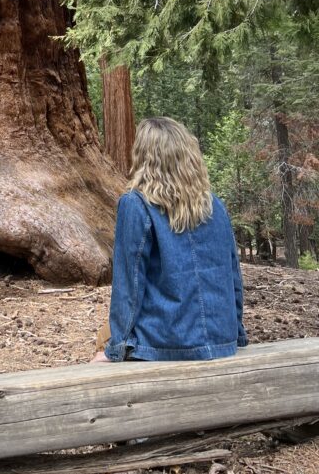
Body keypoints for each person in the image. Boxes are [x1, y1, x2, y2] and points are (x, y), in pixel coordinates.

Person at [92, 116, 248, 363]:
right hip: (222, 337)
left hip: (167, 341)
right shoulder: (215, 205)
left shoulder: (135, 204)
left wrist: (115, 349)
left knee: (103, 338)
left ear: (144, 157)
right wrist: (236, 334)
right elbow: (233, 278)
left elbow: (129, 285)